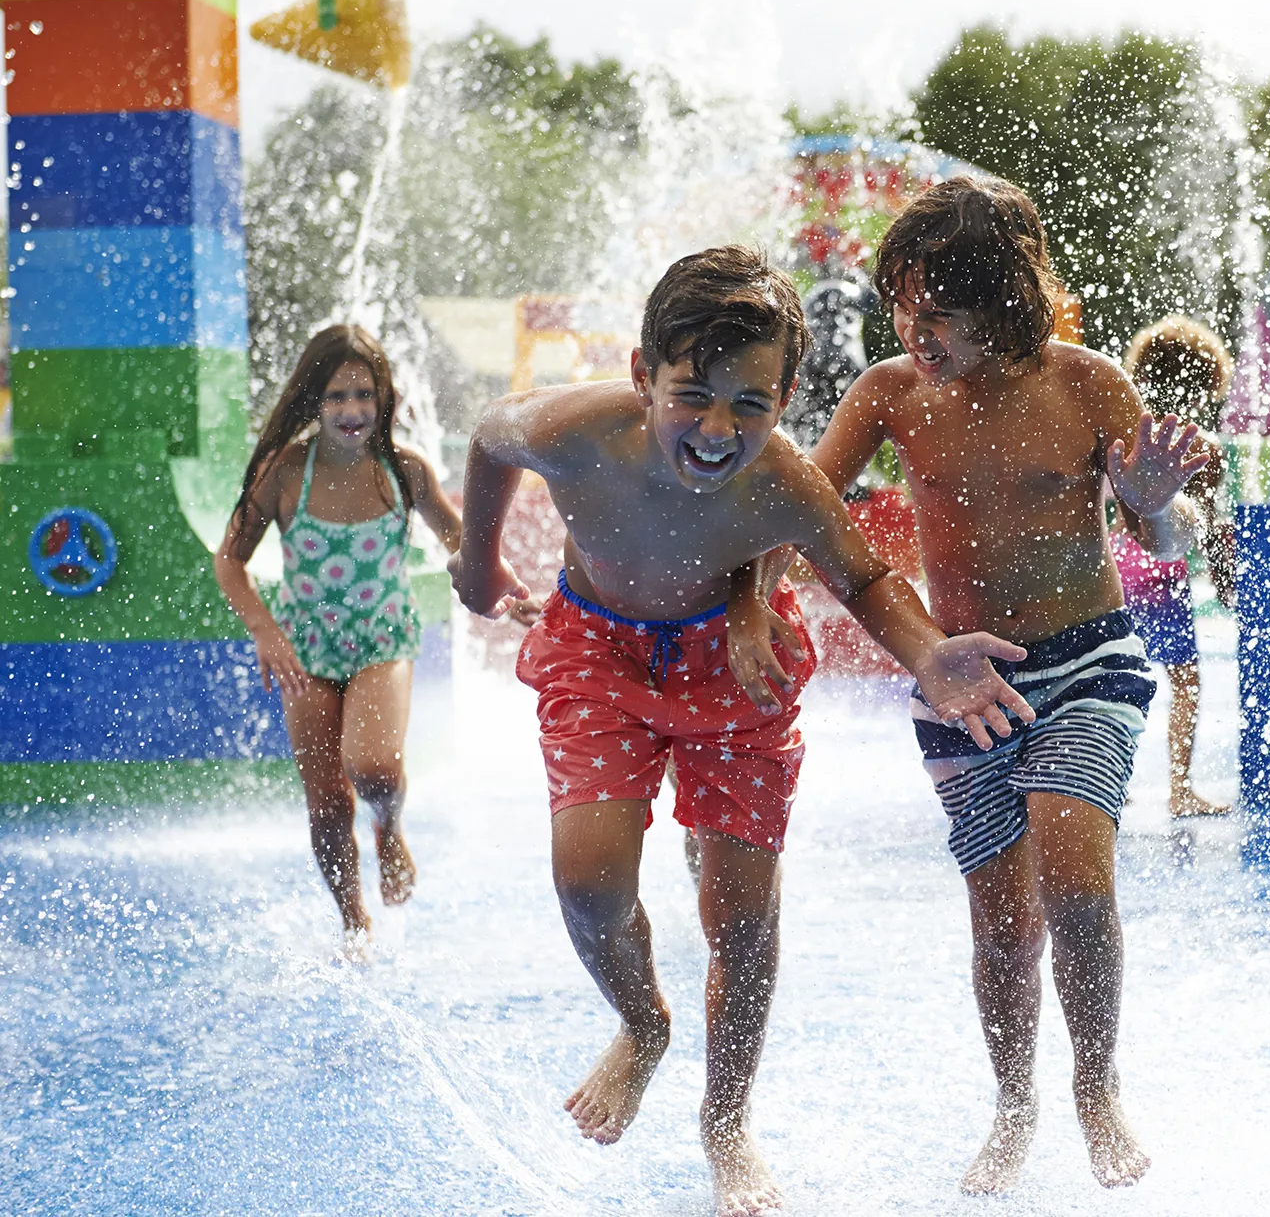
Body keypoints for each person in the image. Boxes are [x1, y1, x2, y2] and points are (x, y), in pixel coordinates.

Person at [448, 245, 1034, 1217]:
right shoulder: (578, 432)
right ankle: (641, 1025)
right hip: (601, 655)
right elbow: (486, 439)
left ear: (787, 396)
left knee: (745, 922)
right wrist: (474, 565)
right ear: (644, 375)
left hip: (736, 674)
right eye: (694, 396)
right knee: (588, 883)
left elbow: (865, 578)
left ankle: (727, 1123)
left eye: (750, 406)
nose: (719, 429)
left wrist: (927, 655)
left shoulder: (785, 484)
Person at [731, 177, 1210, 1194]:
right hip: (957, 682)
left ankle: (1096, 1086)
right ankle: (1014, 1102)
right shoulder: (892, 393)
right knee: (1000, 925)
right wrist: (750, 601)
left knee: (1075, 882)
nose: (915, 329)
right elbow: (799, 507)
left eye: (938, 310)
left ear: (1005, 303)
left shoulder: (1085, 387)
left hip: (1086, 663)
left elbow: (1165, 537)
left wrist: (1155, 510)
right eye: (900, 304)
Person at [213, 325, 463, 956]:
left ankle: (389, 827)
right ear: (312, 402)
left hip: (383, 638)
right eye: (335, 397)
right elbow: (229, 561)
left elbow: (463, 541)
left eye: (363, 394)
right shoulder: (285, 472)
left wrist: (499, 591)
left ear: (383, 398)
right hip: (305, 648)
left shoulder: (403, 471)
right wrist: (265, 632)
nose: (351, 410)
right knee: (326, 802)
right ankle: (354, 918)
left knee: (375, 770)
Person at [1114, 316, 1236, 818]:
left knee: (1114, 678)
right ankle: (1181, 790)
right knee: (1185, 679)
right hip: (1161, 573)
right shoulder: (1201, 446)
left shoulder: (1128, 431)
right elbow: (1205, 530)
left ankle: (1106, 787)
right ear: (1207, 380)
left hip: (1118, 565)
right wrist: (1229, 589)